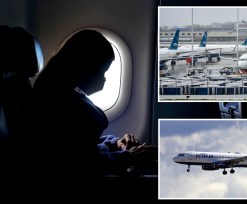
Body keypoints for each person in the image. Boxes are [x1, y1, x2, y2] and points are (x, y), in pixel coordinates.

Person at [28, 29, 156, 190]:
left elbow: (82, 145)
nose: (103, 79)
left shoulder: (68, 90)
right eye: (101, 71)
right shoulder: (53, 99)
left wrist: (115, 143)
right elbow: (75, 161)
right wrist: (127, 157)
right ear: (82, 65)